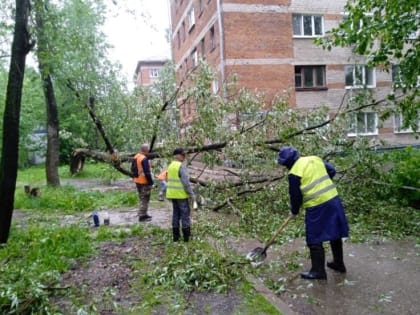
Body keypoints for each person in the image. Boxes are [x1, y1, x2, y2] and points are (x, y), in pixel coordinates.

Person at [278, 146, 349, 280]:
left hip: (317, 205)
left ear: (287, 163)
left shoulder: (294, 172)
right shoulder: (314, 159)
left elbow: (295, 195)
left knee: (314, 238)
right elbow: (332, 170)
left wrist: (294, 210)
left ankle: (318, 271)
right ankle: (339, 263)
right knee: (335, 232)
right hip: (333, 199)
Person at [166, 148, 195, 242]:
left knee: (176, 214)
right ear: (177, 155)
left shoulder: (170, 165)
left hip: (172, 194)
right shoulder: (181, 166)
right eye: (182, 155)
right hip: (181, 195)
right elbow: (186, 183)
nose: (184, 156)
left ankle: (176, 237)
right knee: (185, 215)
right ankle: (186, 237)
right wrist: (191, 194)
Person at [133, 144, 154, 222]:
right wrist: (151, 182)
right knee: (145, 198)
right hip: (144, 181)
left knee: (142, 197)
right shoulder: (144, 159)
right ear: (146, 150)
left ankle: (144, 213)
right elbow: (147, 172)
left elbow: (133, 169)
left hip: (137, 180)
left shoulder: (136, 156)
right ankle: (142, 216)